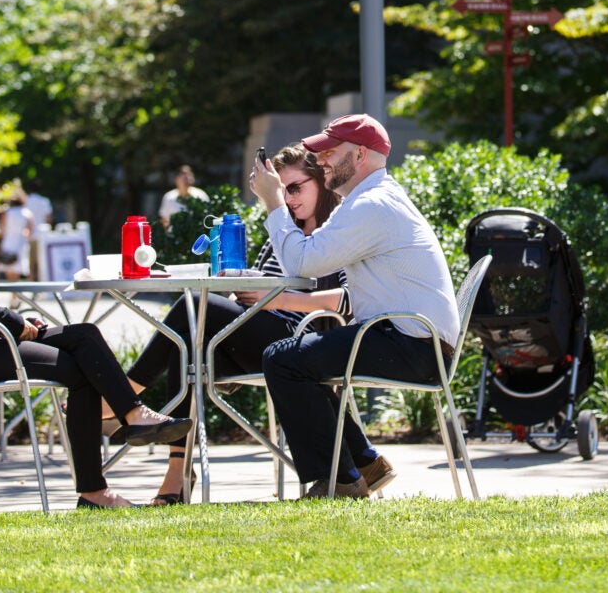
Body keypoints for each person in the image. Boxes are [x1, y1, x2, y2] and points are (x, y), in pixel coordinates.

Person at [0, 150, 191, 510]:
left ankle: (129, 421)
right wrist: (13, 321)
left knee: (85, 334)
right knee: (83, 372)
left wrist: (21, 323)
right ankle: (101, 479)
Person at [123, 143, 393, 505]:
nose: (288, 199)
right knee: (186, 346)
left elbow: (348, 299)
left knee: (192, 307)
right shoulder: (284, 231)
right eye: (281, 191)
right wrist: (239, 295)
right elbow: (262, 287)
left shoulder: (340, 228)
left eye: (296, 188)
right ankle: (177, 471)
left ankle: (125, 396)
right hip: (260, 334)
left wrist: (279, 301)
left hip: (303, 338)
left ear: (322, 183)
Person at [251, 113, 459, 499]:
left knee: (284, 360)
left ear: (360, 154)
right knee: (300, 359)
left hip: (413, 344)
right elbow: (307, 258)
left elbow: (301, 263)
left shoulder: (372, 204)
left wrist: (274, 202)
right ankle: (362, 464)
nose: (322, 160)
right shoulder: (368, 199)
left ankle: (341, 481)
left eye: (330, 151)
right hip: (410, 339)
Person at [0, 186, 35, 280]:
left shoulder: (7, 212)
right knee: (18, 267)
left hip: (8, 240)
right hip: (20, 241)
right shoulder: (27, 213)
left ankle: (12, 289)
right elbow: (30, 231)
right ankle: (14, 291)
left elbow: (2, 228)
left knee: (8, 266)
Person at [159, 164, 208, 232]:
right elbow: (164, 220)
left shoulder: (201, 195)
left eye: (189, 174)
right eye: (183, 174)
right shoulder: (168, 197)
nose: (186, 177)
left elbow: (207, 218)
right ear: (176, 179)